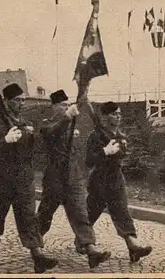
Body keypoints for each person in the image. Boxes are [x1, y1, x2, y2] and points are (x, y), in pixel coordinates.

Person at [0, 83, 58, 273]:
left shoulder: (25, 123)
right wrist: (5, 141)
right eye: (17, 100)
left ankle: (37, 256)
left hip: (24, 176)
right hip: (3, 176)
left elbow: (35, 149)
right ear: (6, 101)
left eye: (23, 99)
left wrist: (34, 137)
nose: (21, 103)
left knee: (29, 216)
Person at [37, 89, 111, 269]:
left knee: (80, 211)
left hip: (73, 174)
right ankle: (35, 248)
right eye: (62, 104)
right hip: (55, 174)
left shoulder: (73, 123)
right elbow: (50, 133)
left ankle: (91, 249)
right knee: (45, 214)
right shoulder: (48, 121)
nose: (66, 107)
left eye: (66, 104)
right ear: (54, 106)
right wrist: (67, 118)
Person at [75, 102, 153, 262]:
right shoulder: (95, 136)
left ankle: (133, 246)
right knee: (91, 213)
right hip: (99, 180)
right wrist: (105, 151)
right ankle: (82, 241)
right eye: (114, 114)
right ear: (104, 116)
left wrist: (119, 148)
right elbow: (89, 161)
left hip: (116, 178)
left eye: (119, 113)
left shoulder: (121, 137)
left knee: (122, 211)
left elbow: (121, 157)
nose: (118, 116)